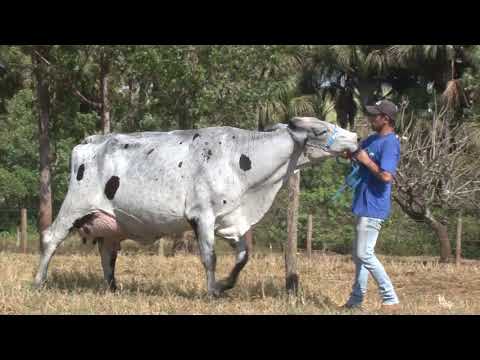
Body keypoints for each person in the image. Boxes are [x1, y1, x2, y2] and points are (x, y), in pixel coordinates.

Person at [342, 99, 401, 312]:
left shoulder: (390, 143)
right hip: (362, 203)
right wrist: (350, 154)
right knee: (359, 255)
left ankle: (390, 297)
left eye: (374, 115)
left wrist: (366, 161)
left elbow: (386, 176)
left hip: (374, 205)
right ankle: (355, 301)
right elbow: (357, 152)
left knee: (365, 254)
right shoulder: (372, 139)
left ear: (386, 119)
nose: (370, 118)